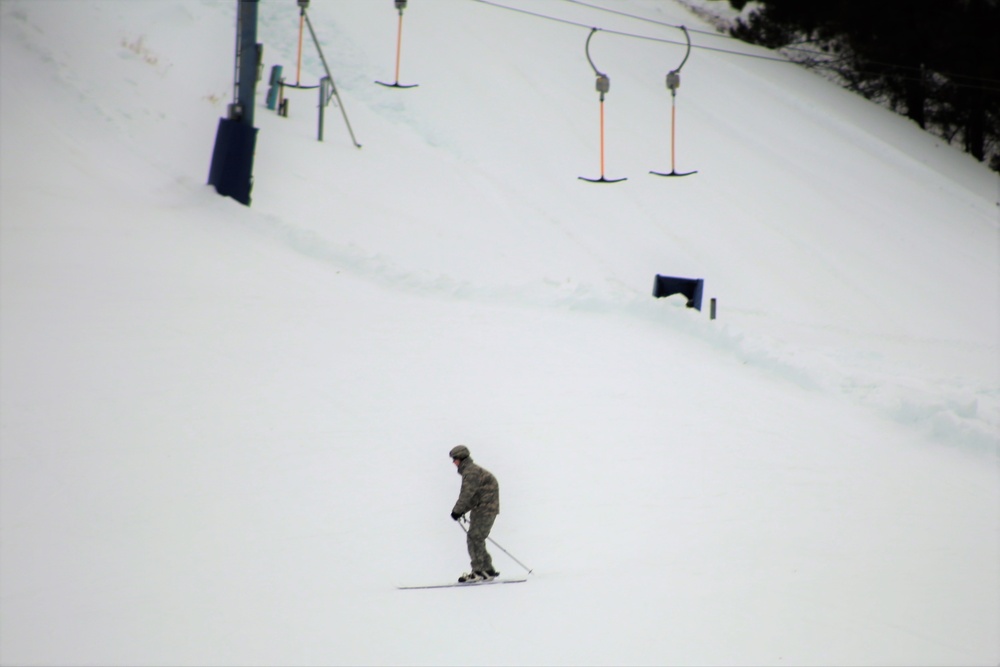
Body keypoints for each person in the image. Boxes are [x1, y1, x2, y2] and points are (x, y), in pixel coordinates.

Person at [449, 445, 500, 582]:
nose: (453, 462)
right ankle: (487, 569)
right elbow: (475, 496)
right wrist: (461, 511)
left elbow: (466, 494)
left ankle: (479, 571)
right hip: (485, 507)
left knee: (474, 538)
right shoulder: (473, 471)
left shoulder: (471, 473)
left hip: (484, 508)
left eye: (455, 459)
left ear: (461, 458)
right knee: (476, 538)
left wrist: (457, 510)